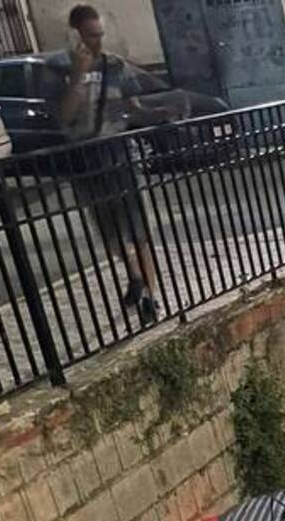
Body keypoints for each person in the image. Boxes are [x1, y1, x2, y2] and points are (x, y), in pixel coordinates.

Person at [48, 4, 168, 323]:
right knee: (112, 235)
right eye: (90, 36)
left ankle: (149, 298)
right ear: (75, 34)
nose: (97, 42)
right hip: (86, 160)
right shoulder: (58, 67)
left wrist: (156, 113)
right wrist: (77, 75)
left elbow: (132, 102)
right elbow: (63, 115)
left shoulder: (114, 65)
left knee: (139, 232)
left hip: (119, 155)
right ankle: (134, 275)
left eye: (100, 35)